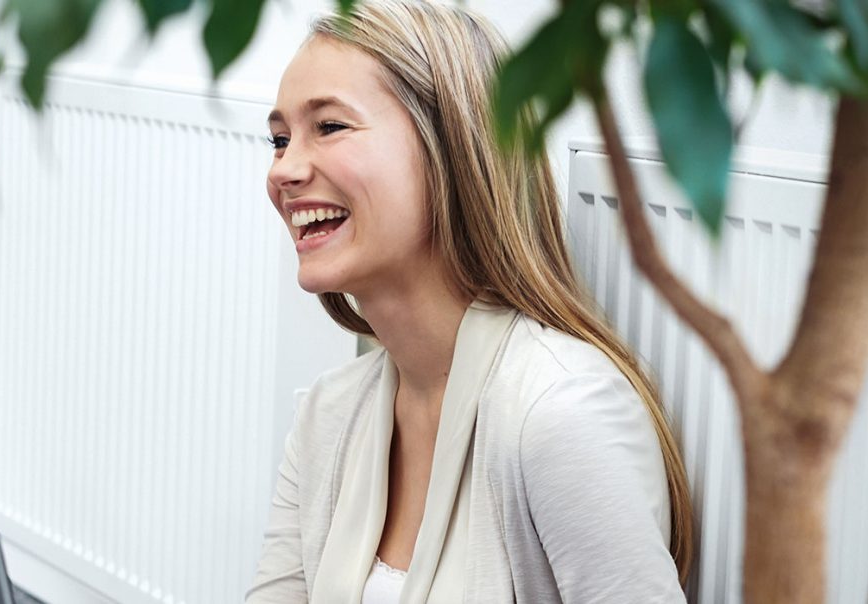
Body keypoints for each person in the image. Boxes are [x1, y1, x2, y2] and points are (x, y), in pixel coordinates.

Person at [245, 1, 693, 602]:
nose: (284, 169)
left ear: (452, 148)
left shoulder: (560, 413)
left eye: (329, 126)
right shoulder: (327, 416)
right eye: (279, 139)